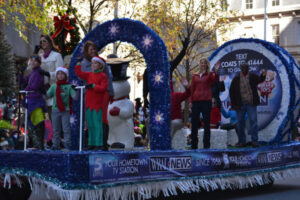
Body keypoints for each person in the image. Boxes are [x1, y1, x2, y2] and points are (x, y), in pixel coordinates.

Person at [75, 56, 109, 150]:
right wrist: (78, 64)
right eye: (92, 63)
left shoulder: (103, 76)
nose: (92, 65)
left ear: (100, 65)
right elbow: (80, 73)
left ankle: (99, 144)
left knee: (97, 124)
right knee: (90, 124)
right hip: (89, 103)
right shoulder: (89, 74)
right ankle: (91, 143)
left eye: (95, 63)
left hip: (97, 103)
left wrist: (93, 86)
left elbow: (103, 88)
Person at [229, 63, 266, 148]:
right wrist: (234, 104)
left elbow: (260, 80)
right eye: (243, 67)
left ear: (248, 68)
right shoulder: (236, 78)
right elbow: (232, 92)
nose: (244, 69)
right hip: (240, 104)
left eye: (246, 67)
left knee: (253, 121)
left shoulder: (253, 76)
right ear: (240, 69)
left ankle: (254, 141)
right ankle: (242, 141)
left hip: (251, 103)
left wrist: (263, 75)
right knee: (240, 123)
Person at [18, 55, 47, 150]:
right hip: (30, 101)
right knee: (31, 124)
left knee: (37, 123)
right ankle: (37, 145)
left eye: (35, 61)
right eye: (32, 61)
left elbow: (34, 86)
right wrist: (21, 73)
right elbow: (22, 82)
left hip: (36, 102)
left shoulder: (39, 72)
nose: (33, 62)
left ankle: (40, 145)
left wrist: (26, 89)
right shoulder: (32, 73)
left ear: (39, 62)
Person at [46, 67, 77, 150]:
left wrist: (75, 90)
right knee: (56, 129)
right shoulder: (54, 86)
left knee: (66, 129)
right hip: (55, 110)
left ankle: (67, 144)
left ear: (65, 75)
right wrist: (42, 91)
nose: (60, 75)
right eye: (58, 74)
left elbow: (75, 97)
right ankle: (55, 145)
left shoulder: (69, 86)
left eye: (62, 73)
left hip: (65, 110)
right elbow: (47, 96)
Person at [190, 57, 219, 149]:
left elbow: (215, 79)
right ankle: (194, 145)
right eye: (201, 63)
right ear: (199, 64)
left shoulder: (210, 75)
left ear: (207, 65)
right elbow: (192, 89)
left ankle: (206, 146)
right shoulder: (195, 76)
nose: (203, 64)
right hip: (196, 102)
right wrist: (190, 101)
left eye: (204, 63)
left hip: (206, 101)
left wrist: (217, 71)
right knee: (194, 124)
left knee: (206, 124)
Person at [39, 34, 64, 120]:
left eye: (44, 41)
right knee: (44, 123)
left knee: (55, 122)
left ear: (49, 42)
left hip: (54, 92)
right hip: (42, 93)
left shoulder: (57, 55)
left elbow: (61, 74)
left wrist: (48, 74)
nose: (42, 43)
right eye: (41, 42)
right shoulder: (40, 58)